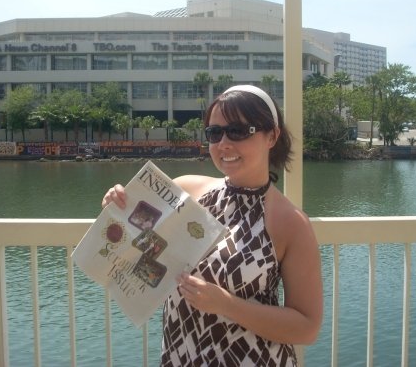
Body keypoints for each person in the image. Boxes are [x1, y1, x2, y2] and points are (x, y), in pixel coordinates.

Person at [102, 85, 323, 366]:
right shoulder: (185, 191)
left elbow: (307, 326)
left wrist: (226, 305)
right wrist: (118, 204)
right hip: (181, 356)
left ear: (272, 136)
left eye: (239, 131)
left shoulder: (290, 222)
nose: (223, 143)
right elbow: (136, 239)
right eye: (214, 133)